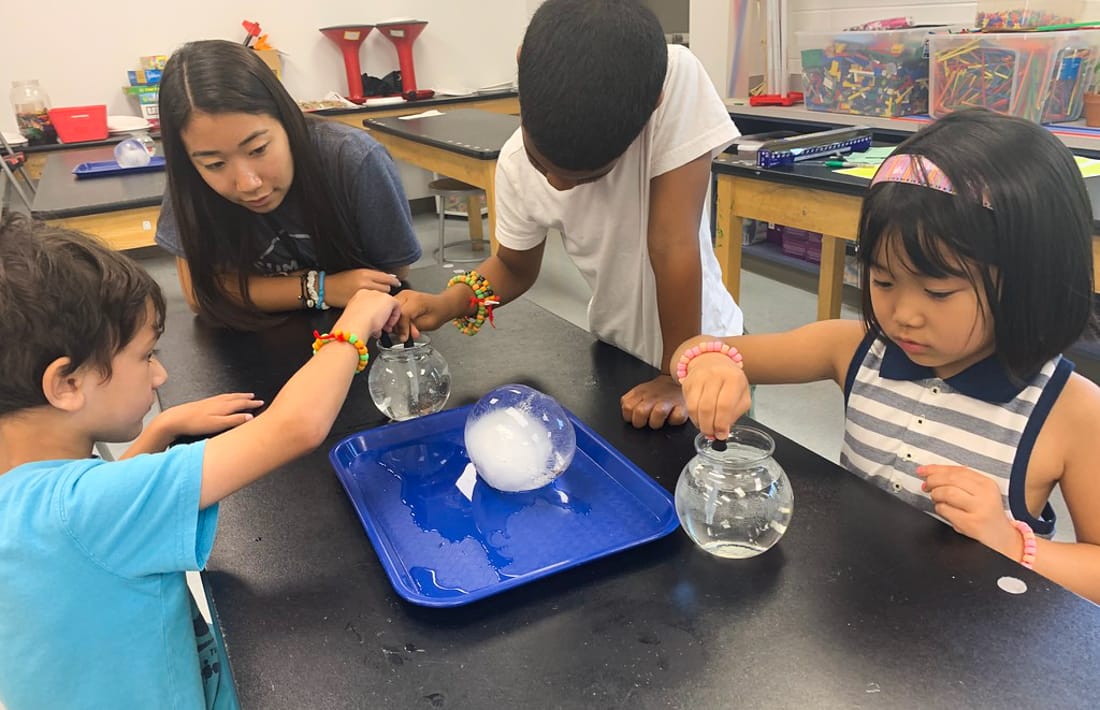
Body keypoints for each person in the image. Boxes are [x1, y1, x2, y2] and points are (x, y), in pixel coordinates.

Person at [672, 109, 1100, 604]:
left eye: (938, 292)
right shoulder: (855, 349)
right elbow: (695, 349)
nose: (903, 315)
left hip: (973, 647)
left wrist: (1011, 543)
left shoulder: (1071, 412)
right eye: (882, 280)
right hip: (861, 614)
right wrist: (709, 366)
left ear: (1029, 283)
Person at [0, 213, 402, 708]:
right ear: (66, 384)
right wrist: (355, 322)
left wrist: (162, 428)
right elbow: (295, 426)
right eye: (146, 356)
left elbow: (86, 514)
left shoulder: (26, 494)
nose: (161, 375)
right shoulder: (84, 512)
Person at [395, 0, 743, 429]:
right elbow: (512, 265)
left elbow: (671, 242)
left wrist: (679, 372)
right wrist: (449, 303)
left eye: (587, 178)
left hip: (707, 354)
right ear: (522, 65)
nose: (558, 185)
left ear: (656, 101)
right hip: (617, 352)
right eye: (543, 166)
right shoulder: (513, 163)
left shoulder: (674, 76)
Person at [155, 39, 421, 330]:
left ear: (287, 119)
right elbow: (200, 293)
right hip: (251, 343)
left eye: (258, 149)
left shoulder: (353, 159)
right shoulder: (189, 180)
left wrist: (260, 290)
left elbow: (389, 277)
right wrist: (321, 288)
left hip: (358, 331)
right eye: (215, 164)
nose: (248, 184)